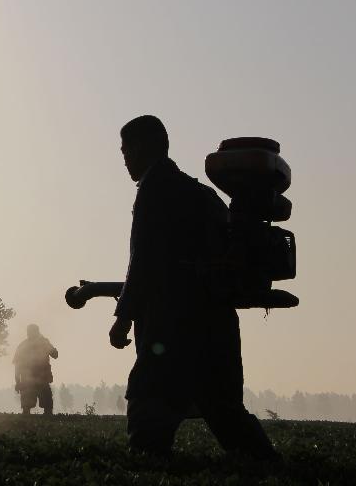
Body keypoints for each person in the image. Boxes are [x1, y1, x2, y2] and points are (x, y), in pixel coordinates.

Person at [109, 115, 278, 459]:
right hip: (216, 321)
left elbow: (144, 261)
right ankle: (267, 464)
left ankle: (148, 465)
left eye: (126, 149)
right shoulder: (202, 193)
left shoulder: (155, 190)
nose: (124, 158)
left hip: (172, 324)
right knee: (224, 408)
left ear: (145, 147)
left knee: (149, 402)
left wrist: (123, 318)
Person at [13, 324, 58, 415]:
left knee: (42, 408)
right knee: (34, 408)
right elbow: (55, 354)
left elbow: (55, 355)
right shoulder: (42, 343)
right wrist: (18, 382)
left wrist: (18, 382)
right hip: (35, 380)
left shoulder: (23, 345)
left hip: (36, 380)